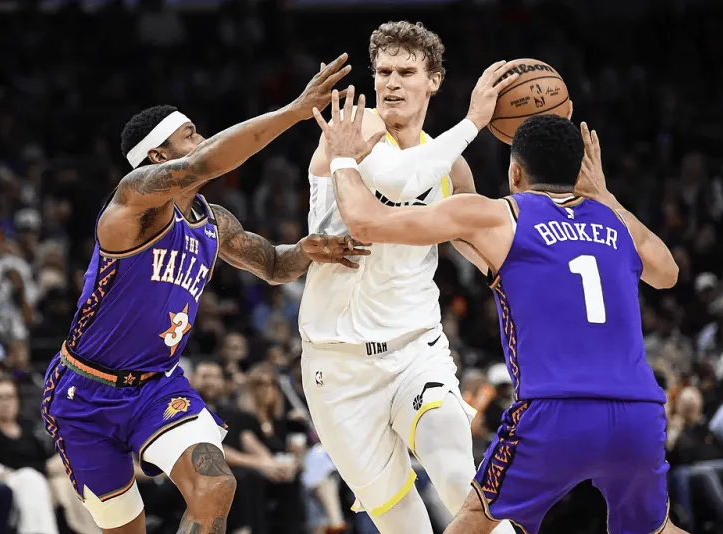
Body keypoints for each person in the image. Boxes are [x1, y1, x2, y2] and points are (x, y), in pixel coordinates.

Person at [312, 83, 688, 533]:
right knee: (658, 529)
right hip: (638, 411)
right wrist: (605, 196)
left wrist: (342, 157)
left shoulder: (498, 216)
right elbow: (668, 273)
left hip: (555, 409)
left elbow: (365, 222)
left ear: (515, 172)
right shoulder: (615, 220)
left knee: (476, 519)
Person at [40, 54, 369, 534]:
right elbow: (203, 162)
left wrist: (306, 250)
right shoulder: (133, 204)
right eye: (190, 133)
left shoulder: (213, 221)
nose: (203, 138)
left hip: (157, 386)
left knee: (215, 485)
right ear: (158, 157)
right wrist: (295, 111)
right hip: (85, 391)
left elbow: (272, 264)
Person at [302, 22, 520, 534]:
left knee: (458, 476)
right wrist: (474, 121)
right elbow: (402, 178)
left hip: (416, 348)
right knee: (403, 524)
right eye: (383, 72)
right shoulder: (356, 127)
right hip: (336, 362)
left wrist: (528, 276)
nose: (392, 83)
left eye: (406, 72)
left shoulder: (452, 167)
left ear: (433, 81)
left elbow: (478, 247)